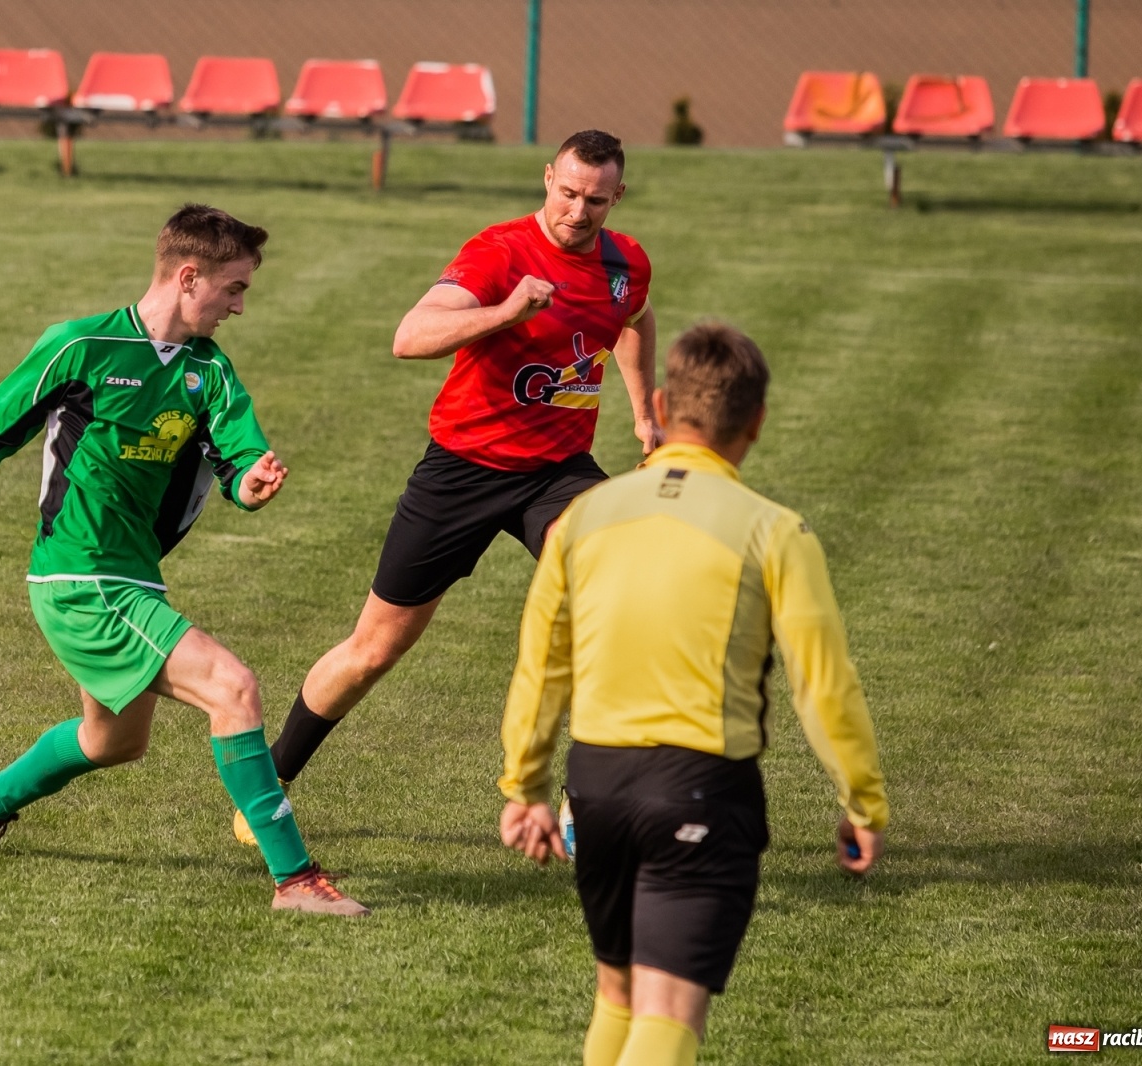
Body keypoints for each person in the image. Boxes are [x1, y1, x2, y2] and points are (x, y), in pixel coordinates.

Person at [0, 204, 367, 917]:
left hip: (131, 573)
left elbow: (237, 456)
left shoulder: (209, 371)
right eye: (233, 288)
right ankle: (295, 881)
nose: (240, 305)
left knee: (114, 740)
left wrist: (252, 483)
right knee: (232, 688)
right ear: (188, 277)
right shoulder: (82, 346)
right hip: (81, 576)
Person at [234, 129, 659, 845]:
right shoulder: (500, 252)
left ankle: (588, 803)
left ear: (617, 196)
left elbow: (634, 321)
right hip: (462, 470)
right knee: (373, 650)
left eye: (595, 200)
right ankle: (268, 784)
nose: (578, 212)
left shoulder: (625, 263)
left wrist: (647, 416)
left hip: (557, 473)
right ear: (547, 177)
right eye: (567, 193)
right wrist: (505, 313)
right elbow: (410, 335)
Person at [496, 322, 890, 1065]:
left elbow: (541, 663)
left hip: (599, 786)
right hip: (702, 787)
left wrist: (525, 786)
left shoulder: (584, 516)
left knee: (618, 992)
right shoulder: (774, 531)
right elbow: (823, 685)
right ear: (758, 422)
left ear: (663, 401)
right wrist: (862, 801)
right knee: (671, 1009)